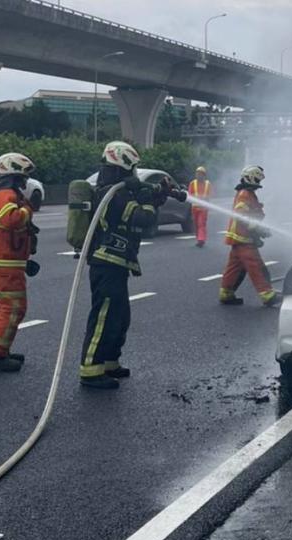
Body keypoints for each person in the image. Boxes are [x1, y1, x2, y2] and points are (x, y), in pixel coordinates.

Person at [79, 141, 167, 389]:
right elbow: (144, 219)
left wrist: (156, 196)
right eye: (133, 169)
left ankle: (109, 362)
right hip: (107, 262)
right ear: (123, 167)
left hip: (117, 263)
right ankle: (90, 370)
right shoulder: (114, 194)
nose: (135, 174)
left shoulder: (117, 191)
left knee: (119, 316)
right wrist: (149, 201)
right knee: (104, 316)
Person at [0, 152, 37, 372]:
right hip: (6, 262)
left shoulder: (6, 193)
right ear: (14, 175)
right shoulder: (5, 195)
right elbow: (11, 220)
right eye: (23, 177)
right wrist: (27, 209)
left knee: (2, 306)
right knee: (13, 307)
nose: (25, 182)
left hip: (6, 260)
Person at [219, 165, 282, 308]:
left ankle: (226, 293)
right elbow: (243, 217)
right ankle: (267, 294)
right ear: (251, 177)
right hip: (243, 238)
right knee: (256, 266)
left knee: (234, 268)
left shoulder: (247, 193)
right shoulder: (244, 195)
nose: (259, 183)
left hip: (240, 238)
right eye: (258, 179)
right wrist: (259, 230)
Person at [187, 166, 212, 247]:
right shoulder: (192, 183)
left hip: (203, 209)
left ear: (204, 175)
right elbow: (190, 195)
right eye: (197, 173)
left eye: (201, 174)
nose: (198, 175)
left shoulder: (208, 184)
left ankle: (201, 239)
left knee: (201, 224)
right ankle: (199, 238)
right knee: (196, 224)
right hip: (194, 208)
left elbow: (209, 195)